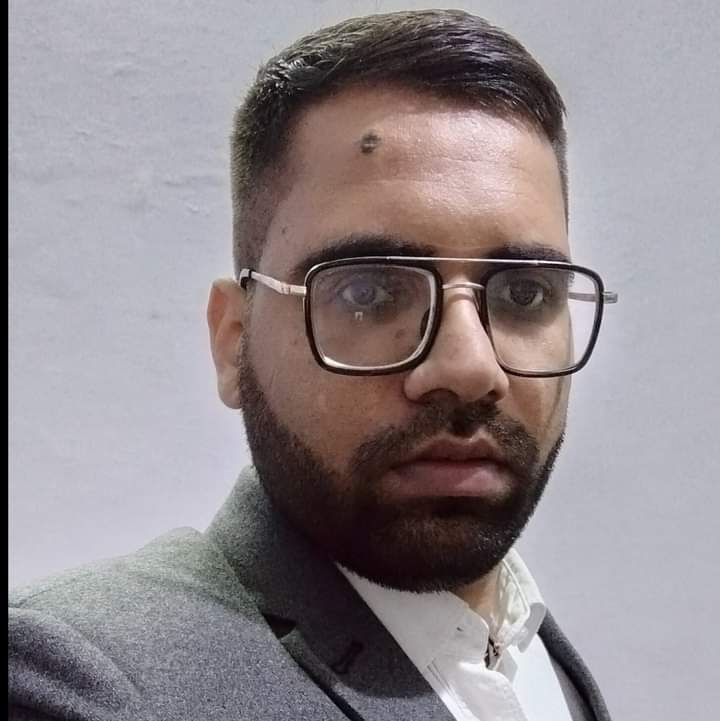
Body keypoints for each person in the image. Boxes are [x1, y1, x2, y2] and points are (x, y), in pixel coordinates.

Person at [9, 9, 618, 721]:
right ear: (235, 340)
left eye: (524, 293)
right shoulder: (85, 681)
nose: (468, 366)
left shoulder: (538, 654)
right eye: (369, 292)